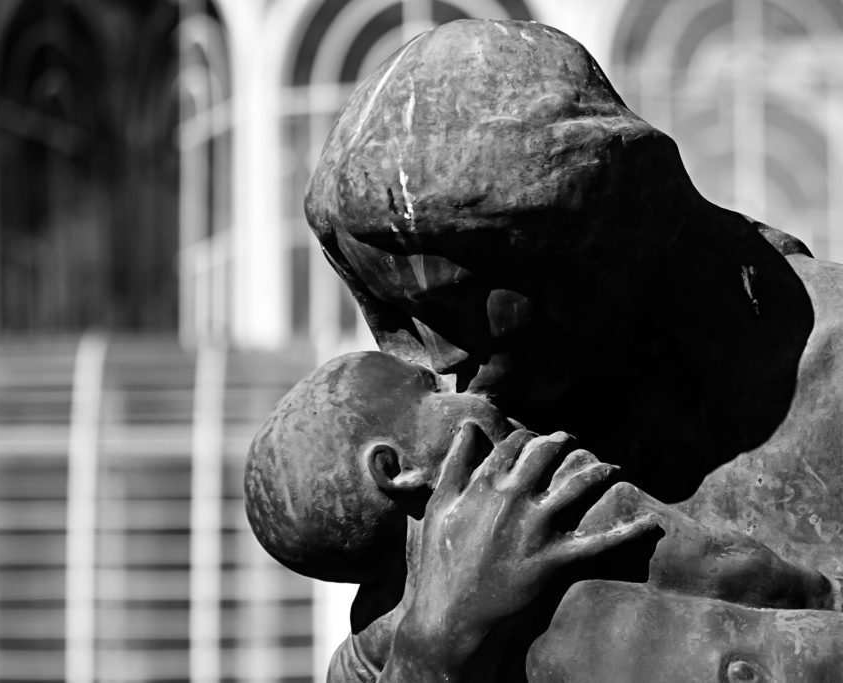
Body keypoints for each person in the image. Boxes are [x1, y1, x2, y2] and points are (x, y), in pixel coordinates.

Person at [297, 16, 843, 680]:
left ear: (595, 238)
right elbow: (369, 659)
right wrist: (436, 646)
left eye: (451, 304)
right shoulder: (474, 457)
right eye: (402, 317)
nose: (439, 362)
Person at [245, 352, 838, 680]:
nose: (461, 385)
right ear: (393, 469)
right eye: (429, 389)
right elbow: (749, 573)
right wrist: (437, 642)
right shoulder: (372, 658)